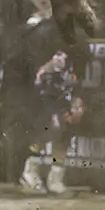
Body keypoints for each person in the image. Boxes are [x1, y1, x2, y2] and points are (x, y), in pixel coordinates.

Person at [20, 50, 77, 194]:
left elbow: (70, 90)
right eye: (57, 57)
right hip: (44, 109)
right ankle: (29, 174)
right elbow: (44, 96)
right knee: (41, 137)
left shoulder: (69, 72)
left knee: (63, 140)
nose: (60, 60)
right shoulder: (46, 73)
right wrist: (54, 114)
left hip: (62, 108)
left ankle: (55, 180)